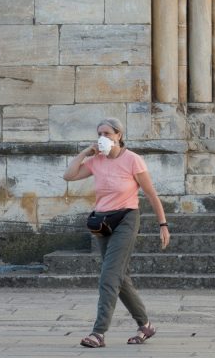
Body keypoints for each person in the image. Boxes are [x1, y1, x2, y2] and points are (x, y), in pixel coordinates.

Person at [63, 117, 171, 348]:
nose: (102, 138)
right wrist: (85, 152)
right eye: (99, 134)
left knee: (108, 276)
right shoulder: (97, 161)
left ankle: (98, 333)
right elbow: (69, 176)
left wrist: (163, 225)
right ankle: (146, 325)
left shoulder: (133, 160)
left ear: (119, 136)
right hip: (102, 223)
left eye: (107, 133)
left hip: (126, 219)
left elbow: (152, 194)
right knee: (119, 277)